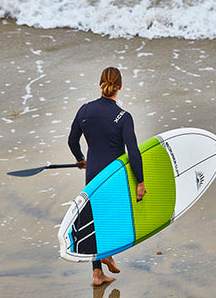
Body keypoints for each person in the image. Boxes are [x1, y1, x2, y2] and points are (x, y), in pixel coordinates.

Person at [68, 66, 147, 286]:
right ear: (120, 86)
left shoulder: (84, 110)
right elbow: (133, 151)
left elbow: (72, 140)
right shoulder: (123, 117)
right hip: (114, 175)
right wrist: (140, 181)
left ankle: (97, 274)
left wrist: (80, 158)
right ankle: (106, 254)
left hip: (93, 172)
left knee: (95, 220)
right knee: (115, 216)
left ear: (100, 83)